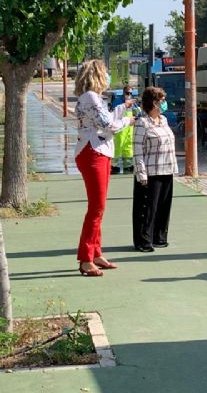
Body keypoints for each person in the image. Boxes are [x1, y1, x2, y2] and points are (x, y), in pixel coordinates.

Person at [73, 60, 135, 276]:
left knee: (99, 207)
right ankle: (85, 258)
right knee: (96, 208)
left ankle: (96, 253)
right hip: (93, 152)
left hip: (99, 151)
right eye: (105, 73)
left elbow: (105, 119)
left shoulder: (94, 98)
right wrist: (128, 121)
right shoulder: (90, 97)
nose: (108, 76)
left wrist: (122, 109)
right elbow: (107, 125)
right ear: (98, 75)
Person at [132, 86, 178, 252]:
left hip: (166, 169)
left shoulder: (163, 120)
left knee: (164, 206)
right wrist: (141, 172)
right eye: (161, 101)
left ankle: (159, 237)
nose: (164, 103)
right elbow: (137, 150)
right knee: (147, 208)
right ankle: (144, 240)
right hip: (151, 172)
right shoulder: (142, 123)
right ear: (153, 103)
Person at [111, 85, 136, 174]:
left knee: (128, 147)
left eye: (130, 93)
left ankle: (128, 165)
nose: (129, 95)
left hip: (130, 128)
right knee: (118, 146)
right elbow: (114, 114)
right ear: (123, 92)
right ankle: (114, 166)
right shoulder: (117, 101)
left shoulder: (133, 102)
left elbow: (137, 112)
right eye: (127, 93)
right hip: (120, 130)